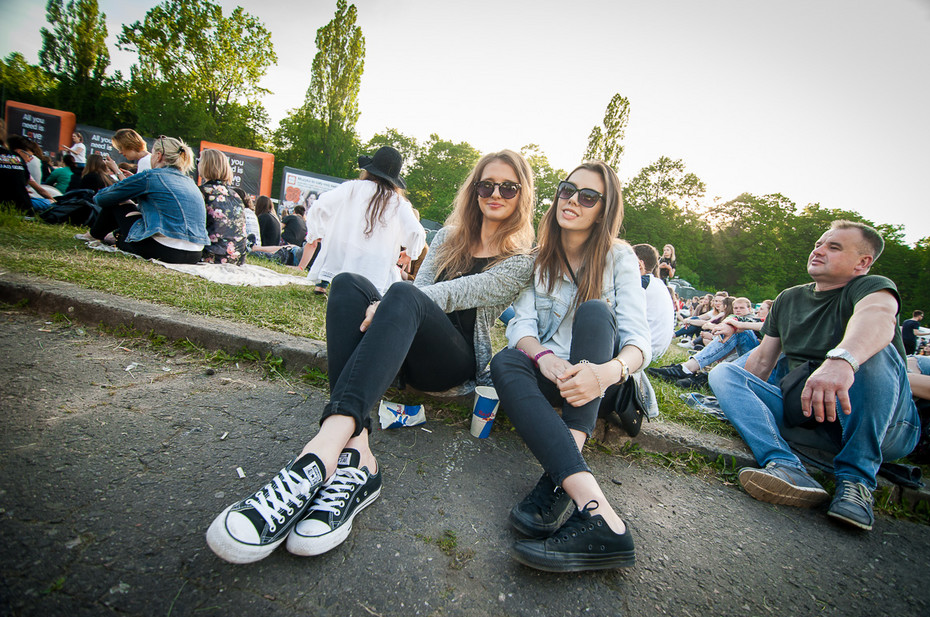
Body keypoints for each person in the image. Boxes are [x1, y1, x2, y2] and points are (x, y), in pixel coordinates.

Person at [206, 149, 536, 564]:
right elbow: (423, 289)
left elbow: (455, 294)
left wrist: (394, 302)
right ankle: (357, 451)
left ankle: (320, 452)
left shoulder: (523, 259)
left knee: (402, 291)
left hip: (453, 364)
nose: (495, 193)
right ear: (474, 189)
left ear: (521, 195)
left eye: (508, 187)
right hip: (404, 355)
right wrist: (388, 305)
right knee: (346, 283)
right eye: (487, 184)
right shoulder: (449, 238)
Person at [708, 220, 919, 531]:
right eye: (819, 244)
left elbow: (879, 317)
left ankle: (856, 481)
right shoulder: (789, 298)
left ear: (863, 263)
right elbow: (761, 363)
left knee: (875, 351)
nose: (818, 250)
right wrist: (734, 401)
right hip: (810, 415)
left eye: (833, 247)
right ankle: (787, 466)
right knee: (726, 373)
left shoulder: (870, 288)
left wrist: (843, 360)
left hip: (885, 426)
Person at [491, 161, 650, 572]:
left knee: (596, 312)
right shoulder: (538, 257)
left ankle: (562, 485)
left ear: (603, 209)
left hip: (607, 379)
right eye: (567, 190)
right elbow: (522, 326)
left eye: (588, 196)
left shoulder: (619, 256)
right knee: (506, 360)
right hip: (553, 372)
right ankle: (590, 503)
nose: (573, 201)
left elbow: (638, 344)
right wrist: (543, 358)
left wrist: (602, 373)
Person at [300, 147, 425, 295]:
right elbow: (416, 231)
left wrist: (316, 233)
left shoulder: (352, 187)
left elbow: (321, 205)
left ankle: (322, 284)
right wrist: (411, 253)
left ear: (370, 170)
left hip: (342, 248)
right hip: (373, 262)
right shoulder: (398, 202)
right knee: (376, 265)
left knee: (337, 249)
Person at [92, 136, 209, 264]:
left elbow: (102, 198)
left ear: (158, 156)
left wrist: (131, 185)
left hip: (163, 250)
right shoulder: (191, 183)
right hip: (194, 254)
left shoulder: (150, 176)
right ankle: (115, 238)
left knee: (119, 200)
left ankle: (95, 234)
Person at [650, 297, 766, 389]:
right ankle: (686, 368)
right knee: (733, 329)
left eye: (742, 308)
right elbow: (707, 322)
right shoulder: (736, 317)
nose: (738, 310)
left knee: (736, 330)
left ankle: (710, 377)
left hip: (768, 367)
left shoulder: (753, 320)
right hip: (736, 347)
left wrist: (736, 325)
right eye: (736, 308)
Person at [197, 149, 247, 265]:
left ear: (205, 165)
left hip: (212, 256)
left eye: (199, 161)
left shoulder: (202, 192)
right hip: (237, 258)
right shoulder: (236, 195)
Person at [633, 243, 674, 359]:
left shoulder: (642, 283)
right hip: (656, 350)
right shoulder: (658, 283)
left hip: (642, 350)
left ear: (639, 264)